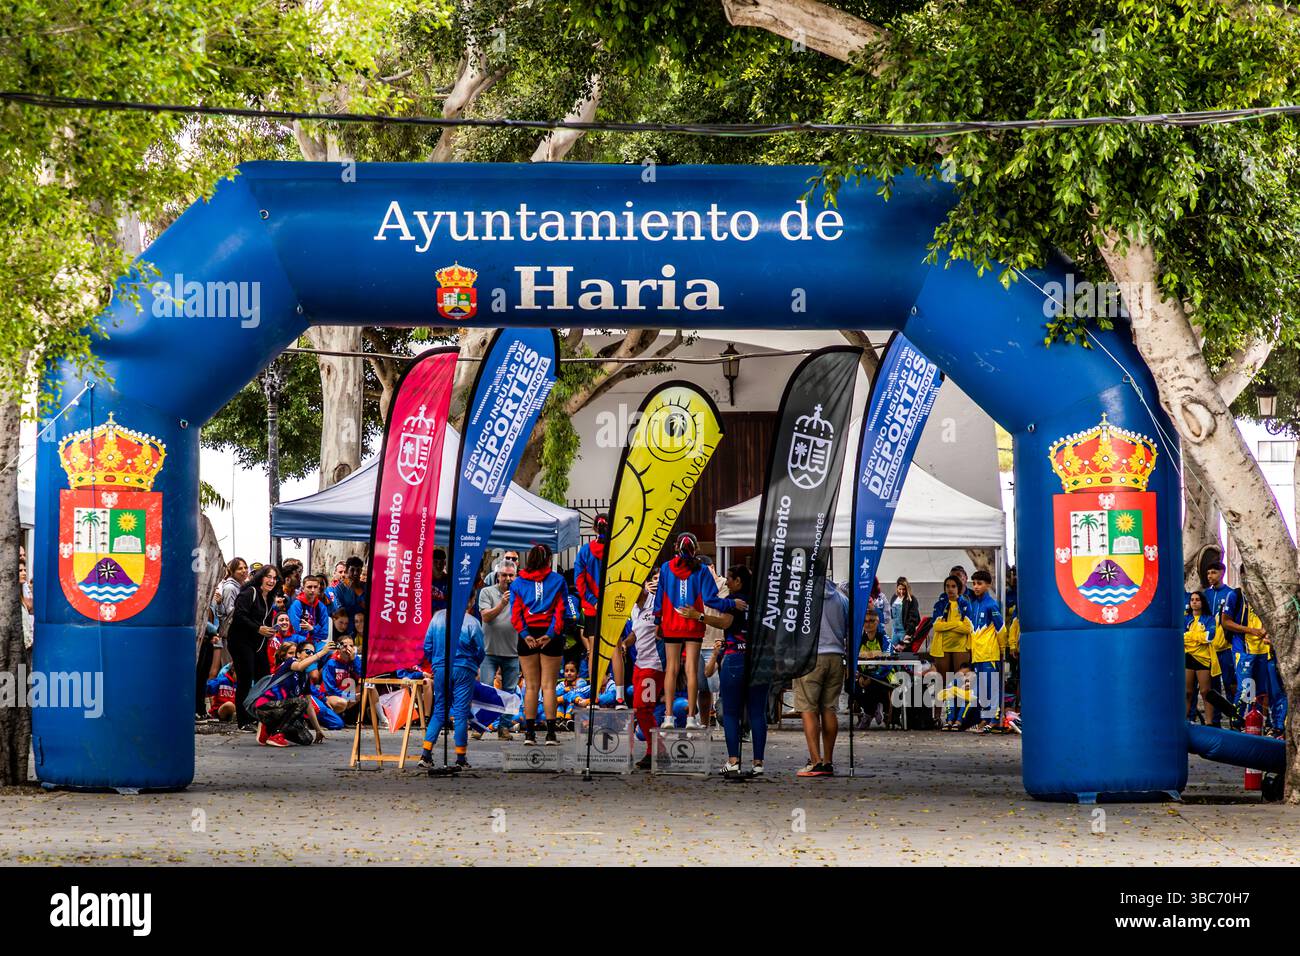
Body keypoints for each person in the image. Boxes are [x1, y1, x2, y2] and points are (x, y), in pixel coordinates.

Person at [655, 533, 740, 730]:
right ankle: (691, 719)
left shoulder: (666, 568)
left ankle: (668, 717)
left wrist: (658, 620)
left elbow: (659, 598)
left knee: (672, 669)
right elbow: (711, 600)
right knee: (691, 669)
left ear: (676, 547)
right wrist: (732, 603)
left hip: (671, 623)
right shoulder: (702, 570)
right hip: (693, 623)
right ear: (697, 549)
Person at [698, 566, 764, 776]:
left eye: (731, 579)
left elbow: (724, 621)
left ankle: (733, 761)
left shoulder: (735, 601)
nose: (727, 583)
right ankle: (758, 763)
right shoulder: (762, 601)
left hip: (736, 657)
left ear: (739, 582)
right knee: (757, 712)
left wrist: (698, 617)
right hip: (760, 659)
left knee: (731, 712)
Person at [508, 543, 569, 745]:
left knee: (531, 686)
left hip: (528, 636)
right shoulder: (558, 580)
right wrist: (551, 634)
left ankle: (530, 734)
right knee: (549, 686)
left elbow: (515, 614)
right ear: (548, 560)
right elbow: (561, 611)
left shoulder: (517, 584)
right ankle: (551, 735)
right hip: (551, 635)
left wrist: (525, 635)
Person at [793, 577, 849, 777]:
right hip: (836, 655)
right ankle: (828, 760)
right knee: (829, 708)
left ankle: (815, 761)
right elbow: (849, 629)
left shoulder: (801, 595)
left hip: (810, 656)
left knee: (808, 709)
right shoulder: (841, 598)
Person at [418, 606, 486, 770]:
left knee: (439, 710)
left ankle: (425, 755)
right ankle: (460, 758)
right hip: (464, 669)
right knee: (461, 713)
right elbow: (480, 650)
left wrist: (436, 663)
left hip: (441, 668)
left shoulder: (436, 618)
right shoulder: (472, 621)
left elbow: (427, 646)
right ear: (469, 601)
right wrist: (473, 665)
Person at [575, 515, 626, 708]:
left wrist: (593, 601)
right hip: (615, 607)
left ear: (594, 529)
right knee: (616, 652)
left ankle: (595, 696)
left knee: (594, 653)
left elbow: (579, 582)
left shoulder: (584, 551)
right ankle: (620, 698)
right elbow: (623, 578)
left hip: (591, 609)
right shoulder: (618, 550)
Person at [227, 564, 280, 731]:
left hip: (258, 643)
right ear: (261, 577)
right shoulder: (250, 592)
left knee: (264, 677)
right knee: (245, 677)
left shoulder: (269, 598)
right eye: (268, 577)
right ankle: (243, 720)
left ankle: (260, 715)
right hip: (240, 641)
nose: (271, 581)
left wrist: (270, 630)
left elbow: (265, 621)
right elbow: (239, 615)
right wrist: (258, 628)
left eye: (274, 578)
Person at [253, 639, 331, 747]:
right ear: (298, 654)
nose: (311, 655)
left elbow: (309, 705)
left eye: (313, 653)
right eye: (308, 652)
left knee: (307, 739)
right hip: (265, 706)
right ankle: (276, 735)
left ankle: (270, 728)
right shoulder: (291, 662)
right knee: (301, 701)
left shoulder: (306, 676)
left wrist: (318, 730)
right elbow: (299, 666)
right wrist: (322, 652)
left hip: (282, 710)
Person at [623, 575, 664, 770]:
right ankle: (655, 749)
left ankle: (655, 750)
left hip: (655, 664)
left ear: (642, 586)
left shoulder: (656, 602)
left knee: (643, 707)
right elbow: (634, 633)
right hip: (639, 663)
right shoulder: (633, 607)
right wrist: (625, 644)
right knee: (640, 708)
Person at [478, 559, 520, 739]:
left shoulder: (520, 593)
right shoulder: (487, 592)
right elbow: (486, 617)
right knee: (486, 689)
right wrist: (502, 604)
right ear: (498, 576)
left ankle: (503, 728)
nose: (507, 579)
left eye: (511, 575)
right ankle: (479, 726)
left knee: (510, 692)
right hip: (489, 651)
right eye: (504, 575)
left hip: (513, 651)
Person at [966, 569, 1005, 733]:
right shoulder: (973, 605)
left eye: (979, 584)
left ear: (988, 585)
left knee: (992, 688)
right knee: (982, 690)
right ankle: (984, 719)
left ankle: (994, 720)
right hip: (978, 655)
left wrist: (1002, 650)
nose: (976, 587)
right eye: (974, 583)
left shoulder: (991, 604)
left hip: (990, 654)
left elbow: (1001, 628)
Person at [930, 575, 973, 686]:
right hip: (942, 648)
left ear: (958, 588)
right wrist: (958, 623)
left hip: (960, 647)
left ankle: (959, 703)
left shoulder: (965, 604)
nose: (950, 589)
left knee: (959, 682)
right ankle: (944, 703)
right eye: (947, 586)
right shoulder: (940, 604)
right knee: (944, 683)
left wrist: (946, 625)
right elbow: (936, 627)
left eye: (953, 586)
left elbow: (968, 628)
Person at [1184, 590, 1218, 722]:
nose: (1194, 602)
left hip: (1203, 659)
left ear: (1202, 602)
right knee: (1187, 692)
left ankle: (1209, 723)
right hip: (1188, 657)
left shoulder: (1209, 619)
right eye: (1192, 600)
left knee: (1205, 692)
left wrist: (1190, 636)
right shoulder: (1185, 618)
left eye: (1197, 599)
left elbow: (1209, 637)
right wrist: (1198, 637)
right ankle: (1185, 721)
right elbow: (1181, 636)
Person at [320, 635, 362, 722]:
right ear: (338, 648)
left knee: (368, 687)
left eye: (351, 646)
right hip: (329, 696)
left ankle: (382, 719)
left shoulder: (354, 659)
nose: (348, 649)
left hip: (346, 694)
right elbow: (330, 689)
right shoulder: (331, 662)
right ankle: (326, 717)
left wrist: (354, 660)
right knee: (342, 702)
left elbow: (363, 677)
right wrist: (348, 696)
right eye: (345, 646)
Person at [327, 556, 366, 636]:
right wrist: (359, 606)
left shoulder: (365, 586)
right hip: (345, 630)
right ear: (347, 570)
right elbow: (340, 611)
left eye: (358, 570)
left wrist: (357, 591)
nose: (355, 573)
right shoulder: (339, 588)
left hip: (362, 629)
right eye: (352, 570)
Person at [288, 574, 330, 646]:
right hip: (298, 643)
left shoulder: (322, 607)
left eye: (315, 587)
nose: (313, 590)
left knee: (332, 652)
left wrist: (312, 629)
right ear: (303, 588)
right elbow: (296, 631)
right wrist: (316, 630)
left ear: (319, 588)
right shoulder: (296, 605)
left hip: (316, 643)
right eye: (309, 587)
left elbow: (324, 634)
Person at [889, 577, 920, 653]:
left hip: (904, 632)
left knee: (905, 654)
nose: (902, 591)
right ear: (897, 588)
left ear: (907, 588)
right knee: (892, 652)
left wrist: (908, 633)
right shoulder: (894, 597)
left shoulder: (911, 600)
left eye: (904, 589)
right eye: (900, 589)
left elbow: (914, 618)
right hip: (895, 631)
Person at [429, 549, 450, 618]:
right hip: (425, 620)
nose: (438, 565)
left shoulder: (449, 581)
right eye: (435, 562)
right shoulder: (424, 580)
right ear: (430, 562)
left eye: (441, 562)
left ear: (445, 563)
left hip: (443, 620)